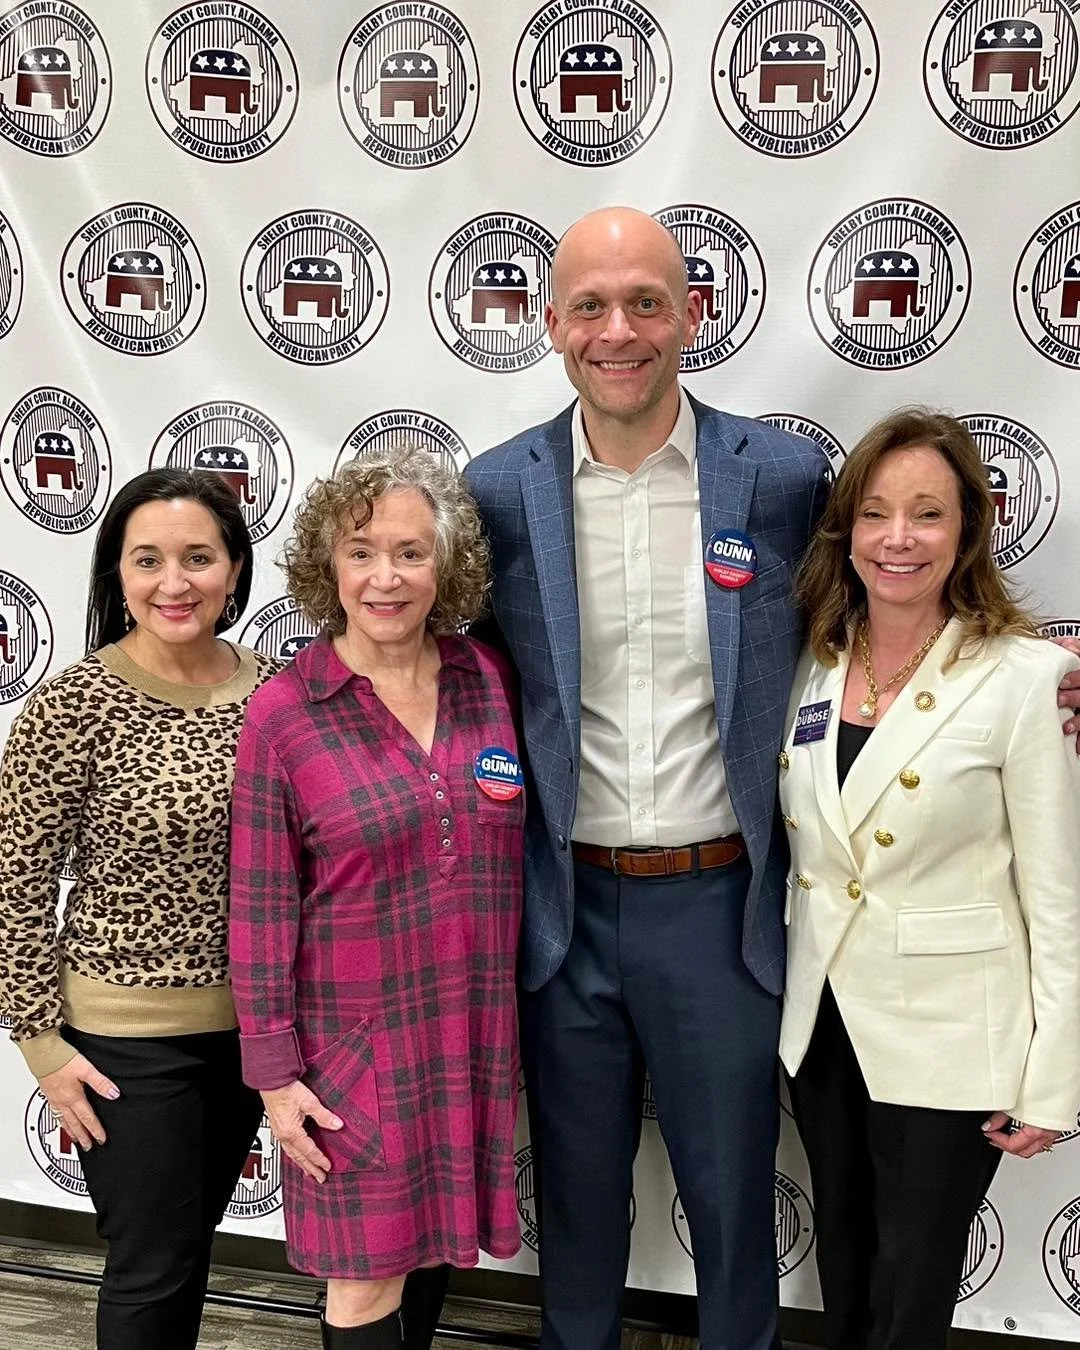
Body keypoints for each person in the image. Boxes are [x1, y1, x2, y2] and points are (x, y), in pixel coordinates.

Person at [462, 205, 1080, 1350]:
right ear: (550, 324)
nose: (619, 329)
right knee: (579, 1206)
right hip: (559, 913)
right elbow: (441, 669)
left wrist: (1042, 668)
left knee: (736, 1203)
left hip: (724, 905)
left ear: (691, 313)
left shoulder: (785, 477)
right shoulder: (497, 491)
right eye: (590, 305)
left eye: (646, 300)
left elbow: (900, 600)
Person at [778, 408, 1080, 1350]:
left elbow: (1058, 895)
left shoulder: (1028, 679)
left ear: (969, 531)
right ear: (846, 530)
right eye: (874, 514)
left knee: (912, 1292)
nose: (897, 539)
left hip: (954, 1031)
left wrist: (1055, 1081)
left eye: (927, 515)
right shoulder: (814, 664)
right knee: (847, 1272)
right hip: (827, 1023)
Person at [228, 447, 523, 1350]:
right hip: (352, 1051)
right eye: (361, 551)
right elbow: (258, 910)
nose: (385, 577)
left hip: (469, 1031)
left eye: (410, 552)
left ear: (449, 567)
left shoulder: (487, 680)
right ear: (329, 567)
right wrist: (276, 1079)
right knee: (362, 1286)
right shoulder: (285, 713)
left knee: (432, 1250)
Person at [0, 468, 279, 1350]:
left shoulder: (280, 694)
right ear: (116, 575)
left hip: (254, 1034)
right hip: (123, 1044)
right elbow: (14, 885)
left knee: (189, 1252)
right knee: (151, 1265)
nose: (174, 582)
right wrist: (42, 1046)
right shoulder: (75, 703)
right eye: (147, 559)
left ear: (234, 570)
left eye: (199, 557)